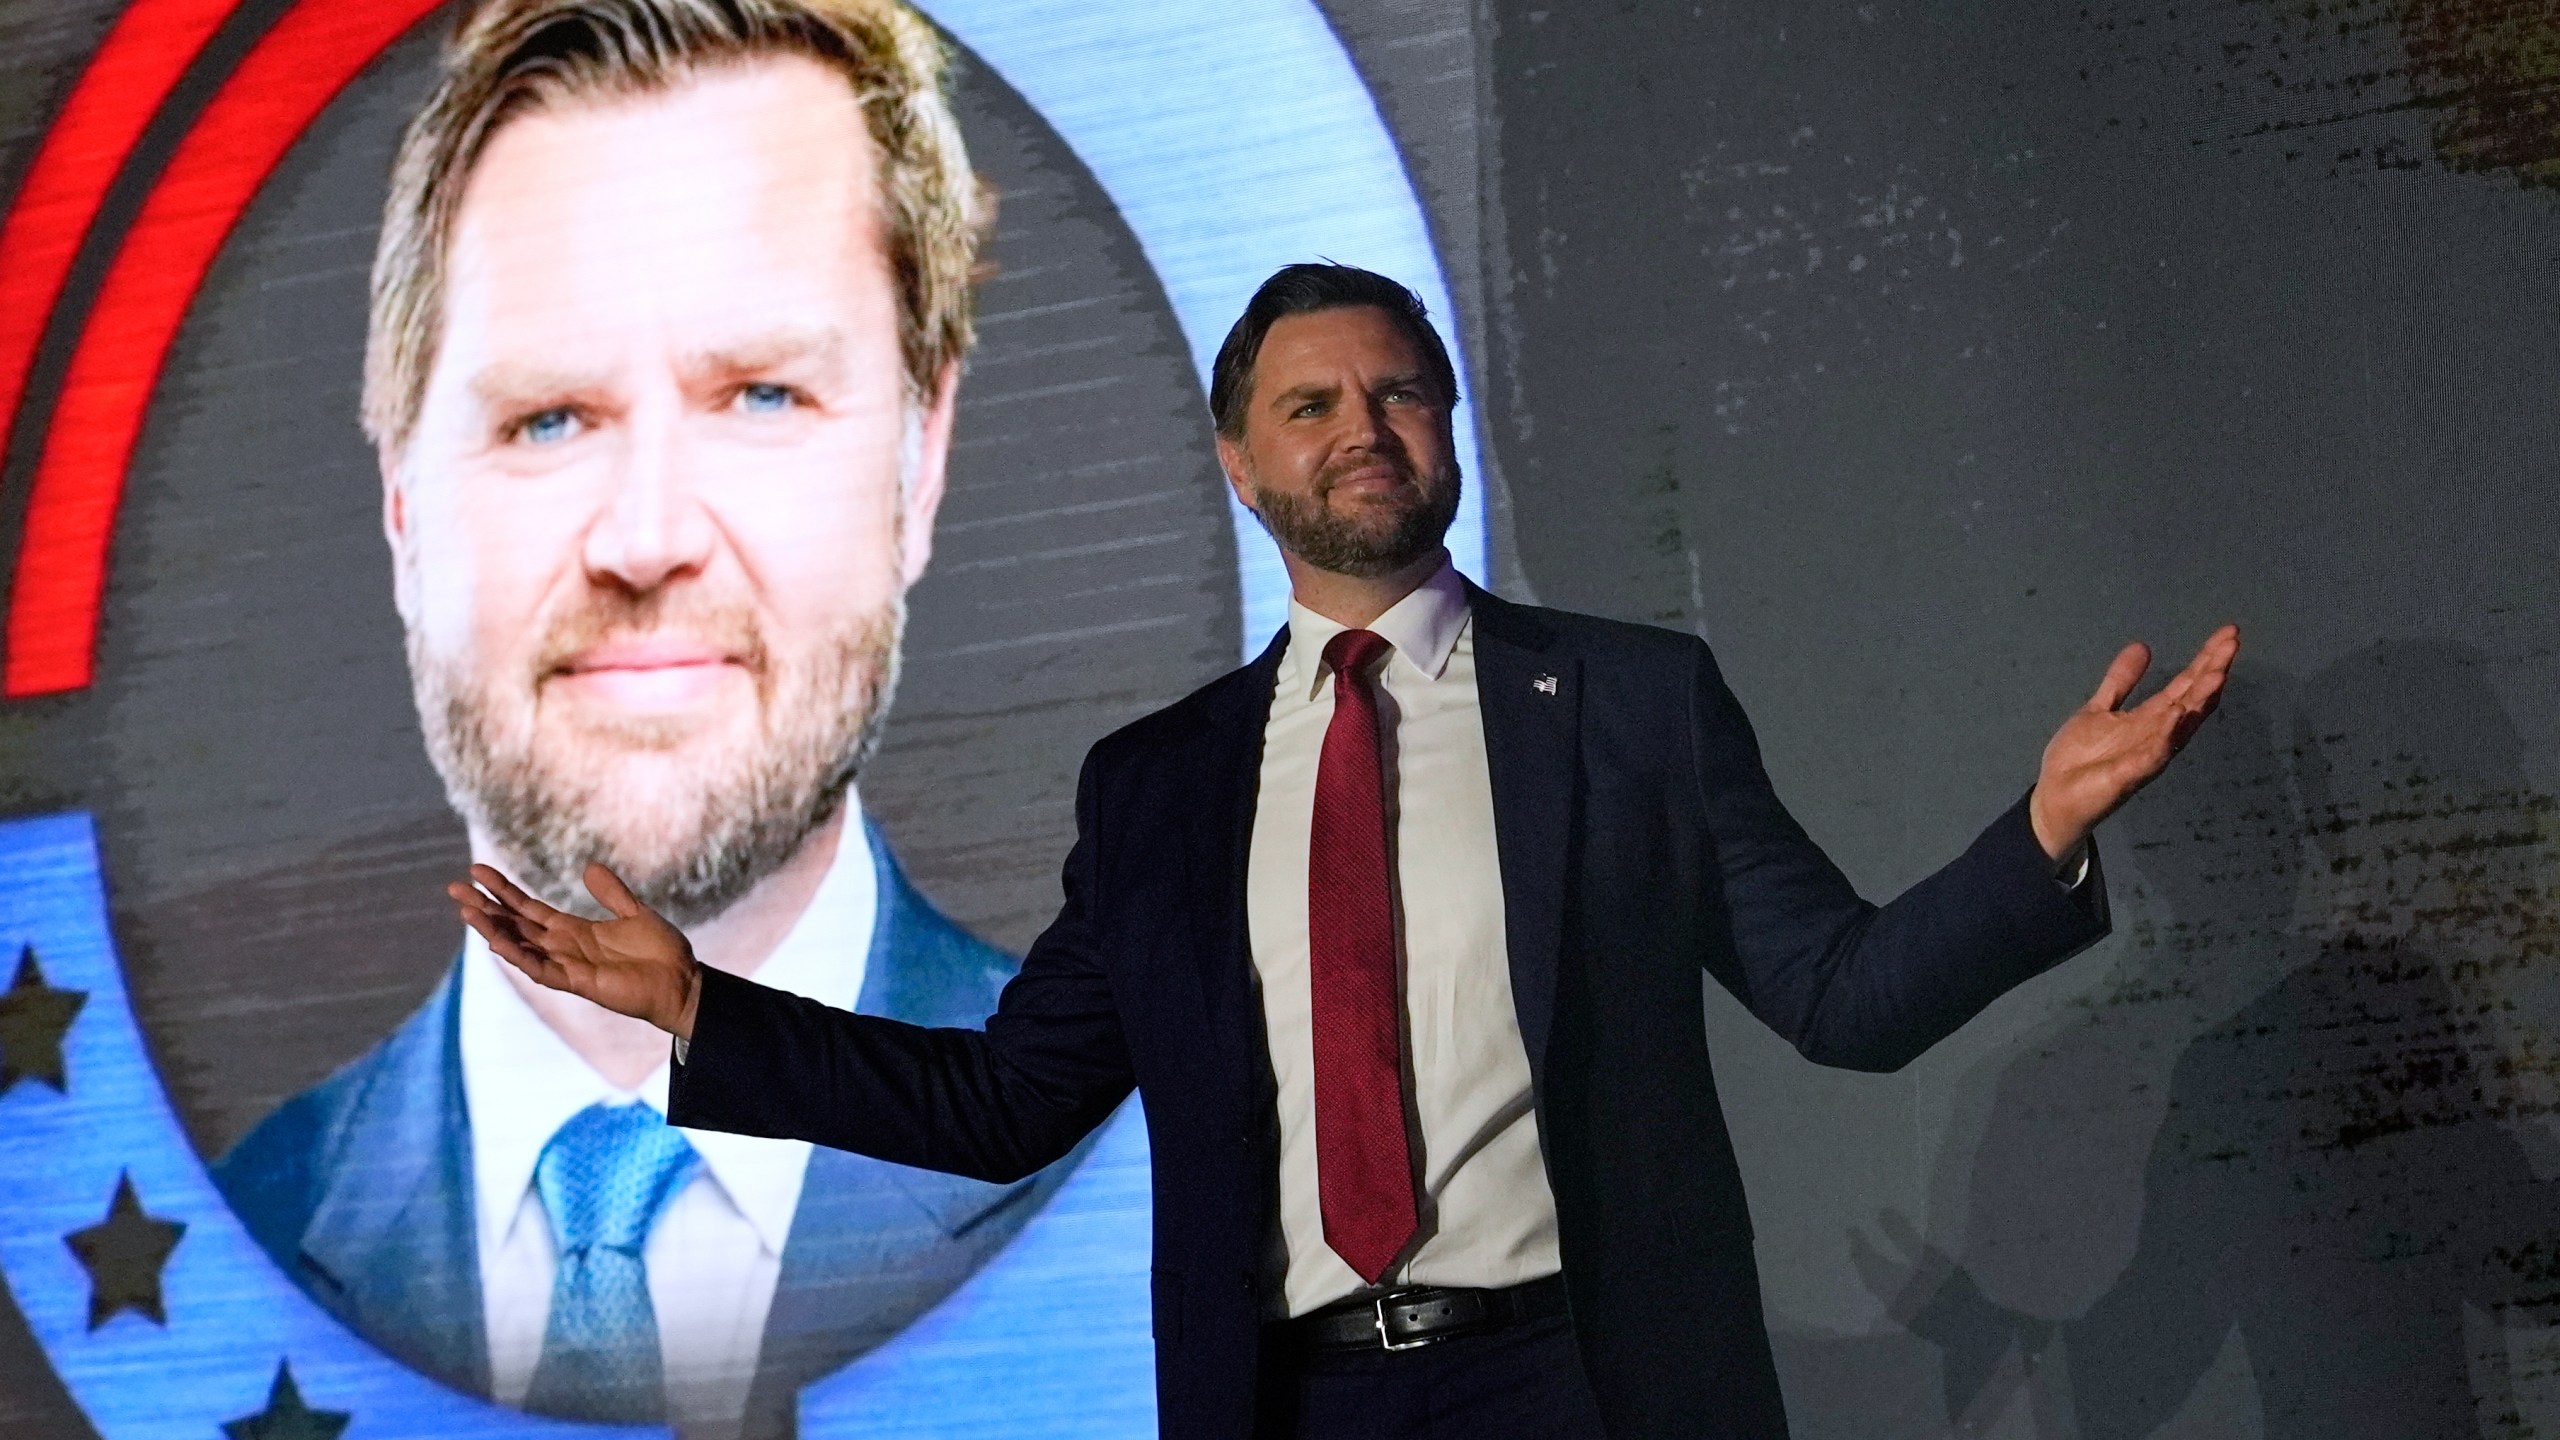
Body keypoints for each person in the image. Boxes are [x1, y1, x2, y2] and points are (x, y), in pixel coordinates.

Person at [454, 263, 2241, 1440]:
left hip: (1590, 1387)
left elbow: (1843, 997)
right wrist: (704, 1006)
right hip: (1297, 1406)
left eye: (1399, 394)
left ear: (1448, 433)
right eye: (1310, 406)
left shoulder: (1625, 703)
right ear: (1241, 463)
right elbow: (1005, 1104)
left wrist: (2042, 835)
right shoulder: (1156, 788)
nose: (1362, 429)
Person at [211, 2, 1078, 1434]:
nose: (648, 534)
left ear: (919, 462)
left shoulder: (1168, 1155)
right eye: (549, 416)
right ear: (403, 506)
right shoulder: (221, 1236)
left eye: (759, 394)